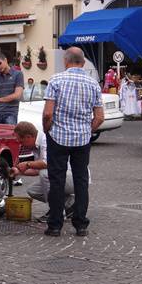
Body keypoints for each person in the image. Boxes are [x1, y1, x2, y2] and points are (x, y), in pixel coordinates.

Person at [42, 47, 104, 237]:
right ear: (83, 63)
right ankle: (80, 224)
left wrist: (47, 129)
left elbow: (48, 113)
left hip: (58, 137)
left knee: (57, 180)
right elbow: (100, 117)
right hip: (82, 140)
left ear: (65, 62)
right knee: (81, 180)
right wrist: (87, 130)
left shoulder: (56, 80)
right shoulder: (93, 84)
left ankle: (55, 225)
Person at [11, 122, 75, 222]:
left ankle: (57, 212)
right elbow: (37, 170)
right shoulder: (36, 145)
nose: (21, 145)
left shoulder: (46, 140)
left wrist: (27, 164)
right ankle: (70, 204)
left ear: (28, 137)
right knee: (33, 190)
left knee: (45, 174)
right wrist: (19, 172)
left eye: (21, 141)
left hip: (74, 178)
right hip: (63, 176)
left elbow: (48, 163)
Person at [0, 52, 24, 124]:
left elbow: (17, 95)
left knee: (10, 135)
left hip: (10, 113)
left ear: (5, 60)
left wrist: (0, 99)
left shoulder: (18, 74)